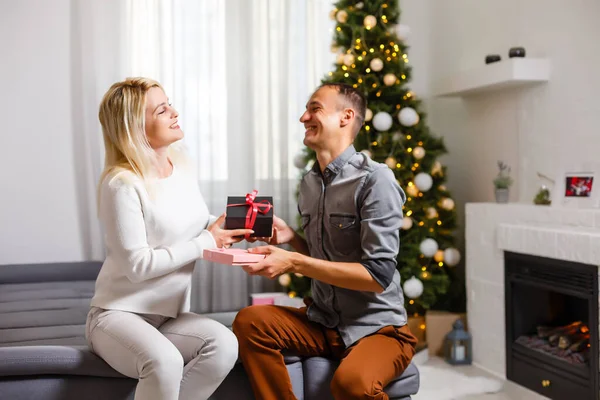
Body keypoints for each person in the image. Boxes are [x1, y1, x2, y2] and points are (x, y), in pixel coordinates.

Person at [233, 82, 417, 400]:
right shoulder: (309, 182)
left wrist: (293, 261)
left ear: (346, 116)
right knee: (251, 321)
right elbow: (327, 258)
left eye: (314, 108)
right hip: (323, 322)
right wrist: (293, 240)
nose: (304, 117)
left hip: (377, 329)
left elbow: (377, 277)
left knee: (350, 385)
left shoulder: (375, 180)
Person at [86, 77, 253, 400]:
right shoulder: (122, 184)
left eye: (169, 104)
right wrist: (207, 239)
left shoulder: (181, 166)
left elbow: (195, 227)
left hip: (167, 316)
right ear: (135, 126)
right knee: (164, 362)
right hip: (117, 316)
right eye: (162, 110)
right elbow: (138, 265)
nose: (175, 113)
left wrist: (232, 225)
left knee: (223, 344)